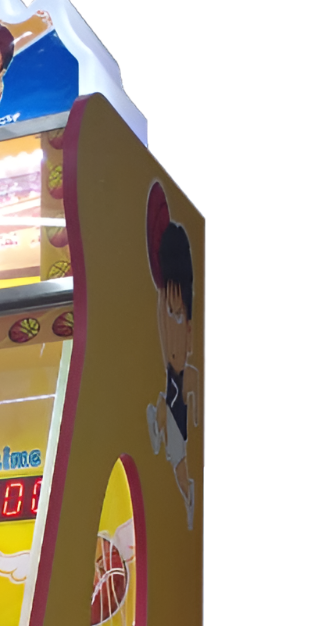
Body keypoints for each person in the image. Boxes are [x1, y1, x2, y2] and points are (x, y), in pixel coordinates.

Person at [145, 219, 200, 530]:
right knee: (175, 456)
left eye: (178, 316)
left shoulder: (189, 374)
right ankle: (157, 428)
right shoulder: (173, 372)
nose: (169, 328)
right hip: (172, 401)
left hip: (176, 409)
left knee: (178, 460)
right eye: (168, 313)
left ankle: (188, 495)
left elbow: (196, 414)